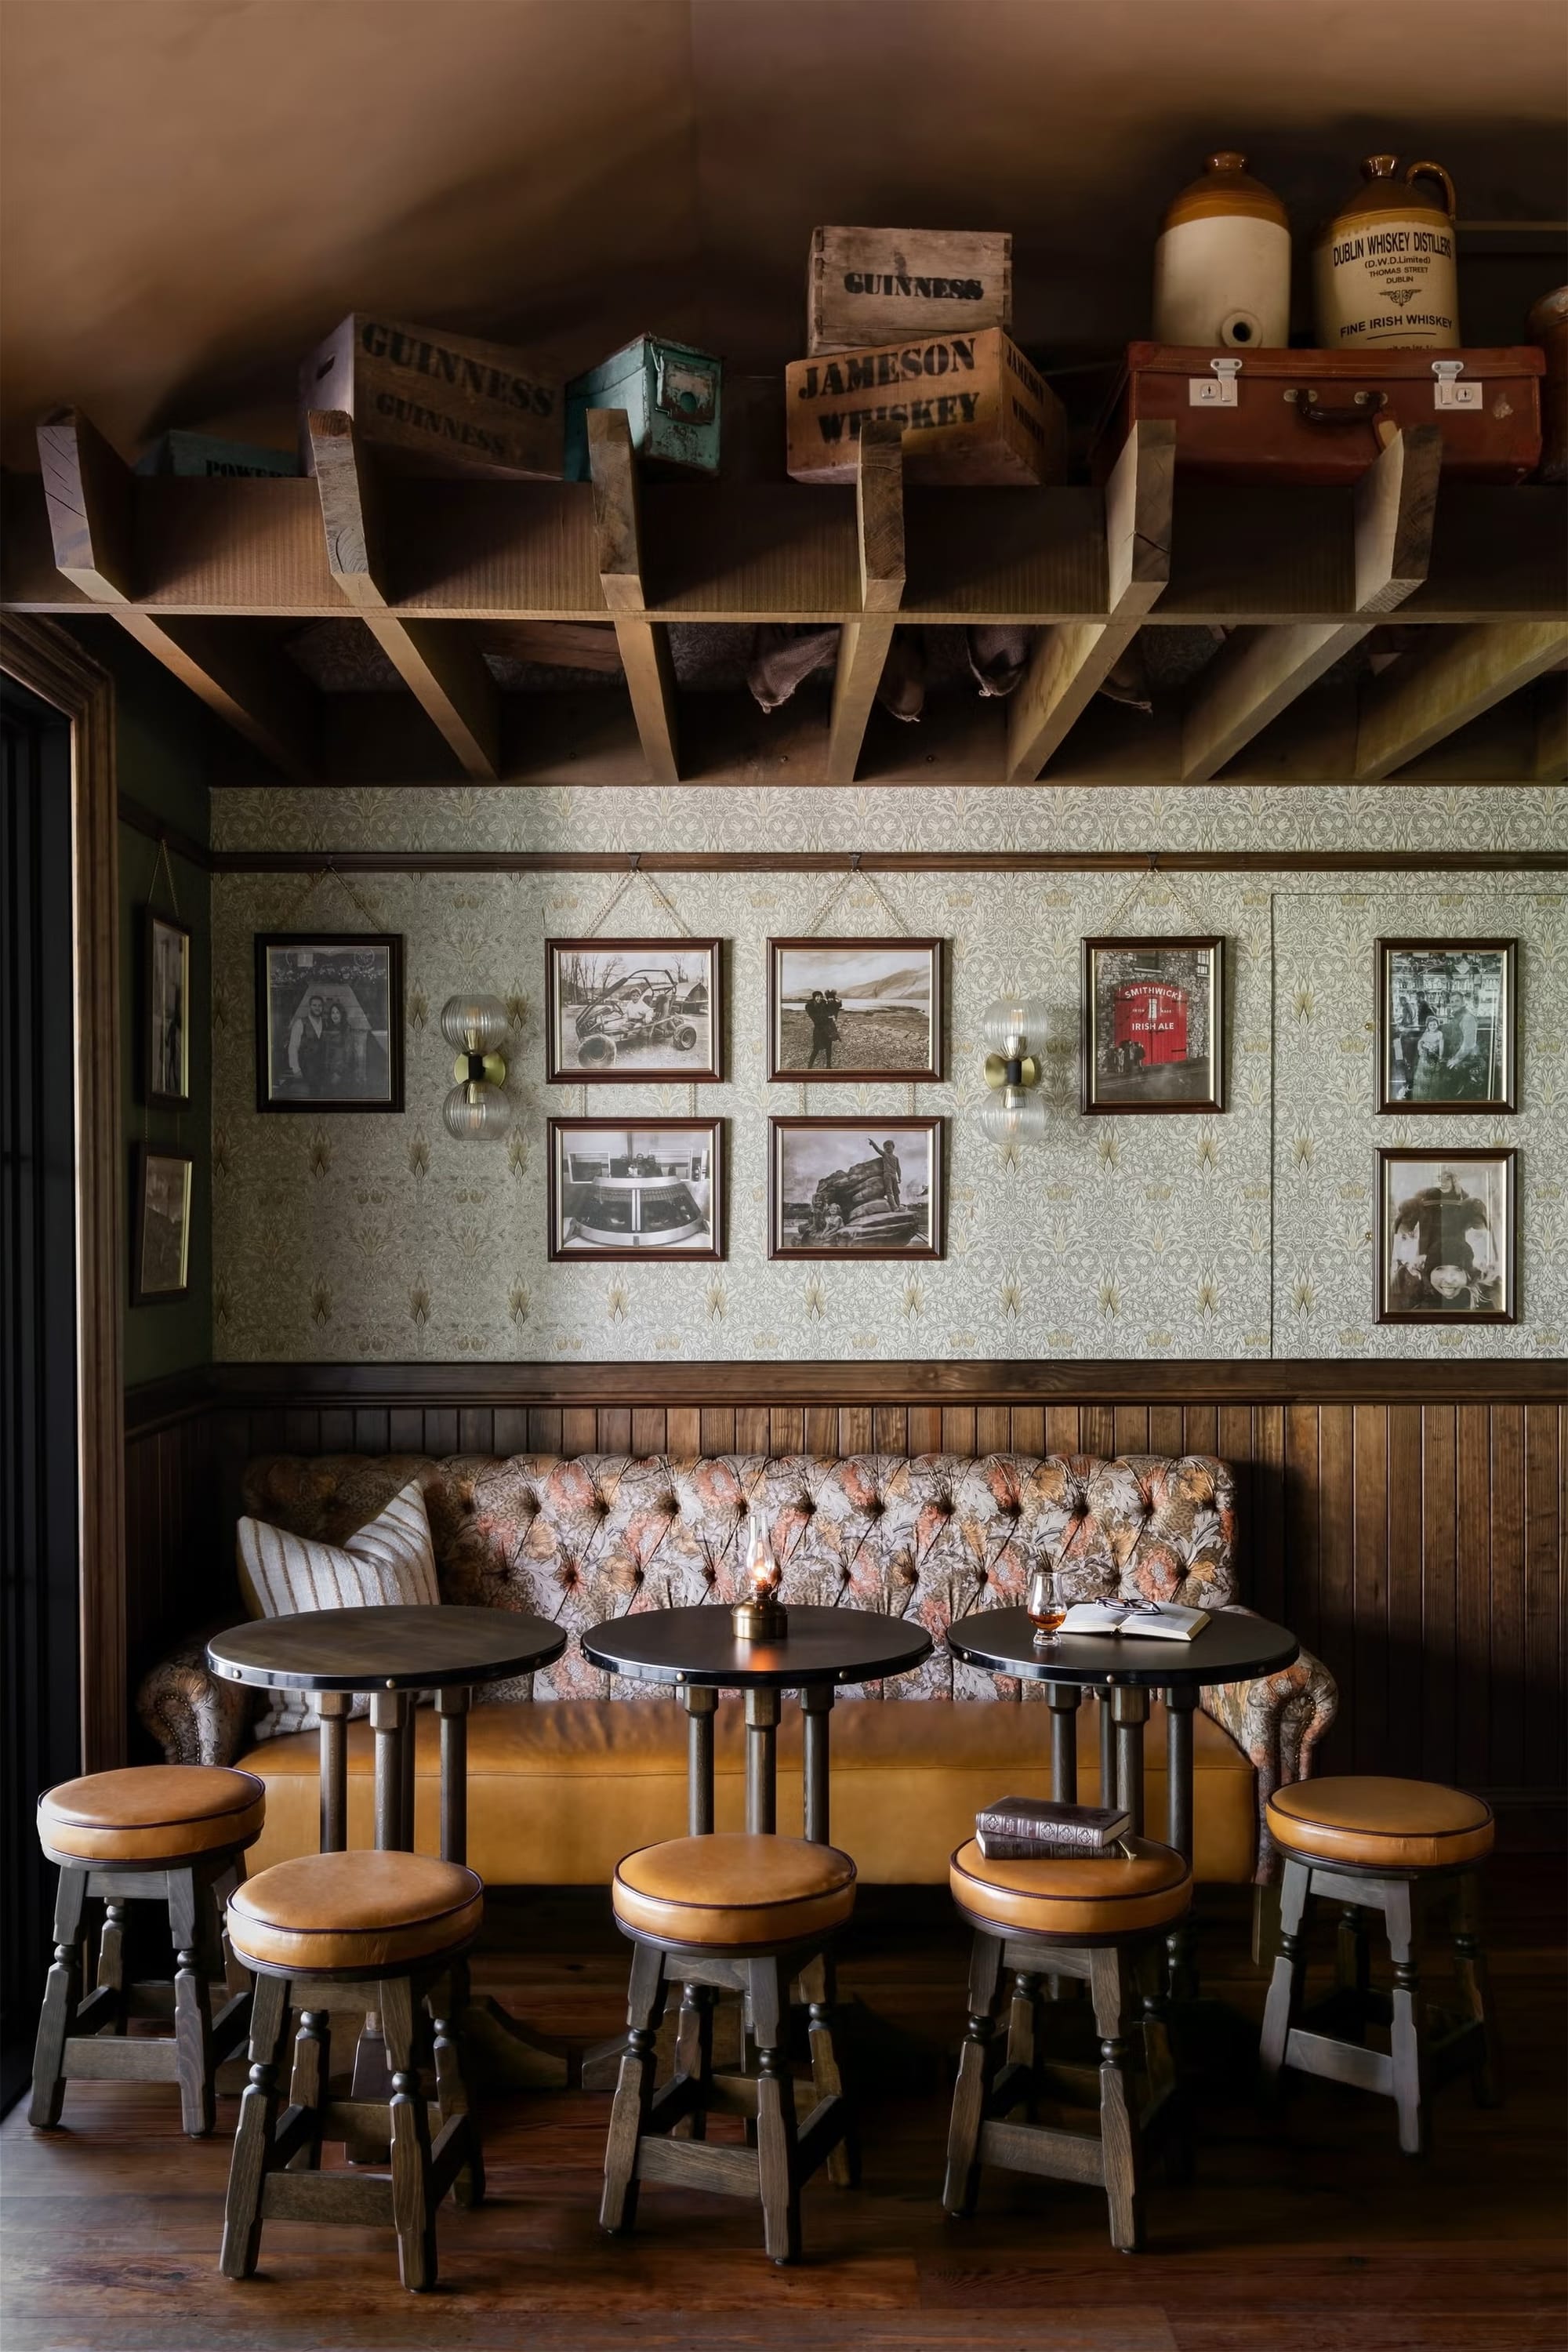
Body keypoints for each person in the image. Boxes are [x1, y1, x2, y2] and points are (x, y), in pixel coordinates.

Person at [1390, 1164, 1498, 1312]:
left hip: (1458, 1254)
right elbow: (1402, 1229)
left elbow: (1483, 1229)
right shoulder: (1422, 1202)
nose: (1443, 1182)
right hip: (1429, 1256)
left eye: (1447, 1179)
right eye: (1440, 1179)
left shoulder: (1465, 1203)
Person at [287, 990, 326, 1093]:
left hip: (322, 1070)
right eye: (314, 1005)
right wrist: (296, 1068)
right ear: (310, 1007)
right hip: (305, 1069)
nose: (317, 1008)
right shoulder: (300, 1023)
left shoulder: (326, 1023)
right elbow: (293, 1047)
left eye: (320, 1005)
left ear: (323, 1007)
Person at [804, 989, 839, 1069]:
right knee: (816, 1048)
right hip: (818, 1030)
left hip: (827, 1029)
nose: (819, 998)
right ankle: (810, 1067)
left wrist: (836, 1001)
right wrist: (829, 1018)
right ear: (814, 998)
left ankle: (828, 1065)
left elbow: (833, 1007)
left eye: (820, 996)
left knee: (829, 1047)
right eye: (817, 997)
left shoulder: (824, 1004)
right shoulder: (810, 1006)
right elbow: (816, 1019)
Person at [870, 1138, 902, 1209]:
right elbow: (878, 1150)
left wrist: (899, 1177)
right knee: (889, 1191)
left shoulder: (896, 1158)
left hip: (894, 1175)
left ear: (893, 1147)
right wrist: (873, 1143)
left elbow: (898, 1168)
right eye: (885, 1146)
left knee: (896, 1192)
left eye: (889, 1145)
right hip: (887, 1174)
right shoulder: (885, 1155)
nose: (887, 1147)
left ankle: (898, 1206)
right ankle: (894, 1207)